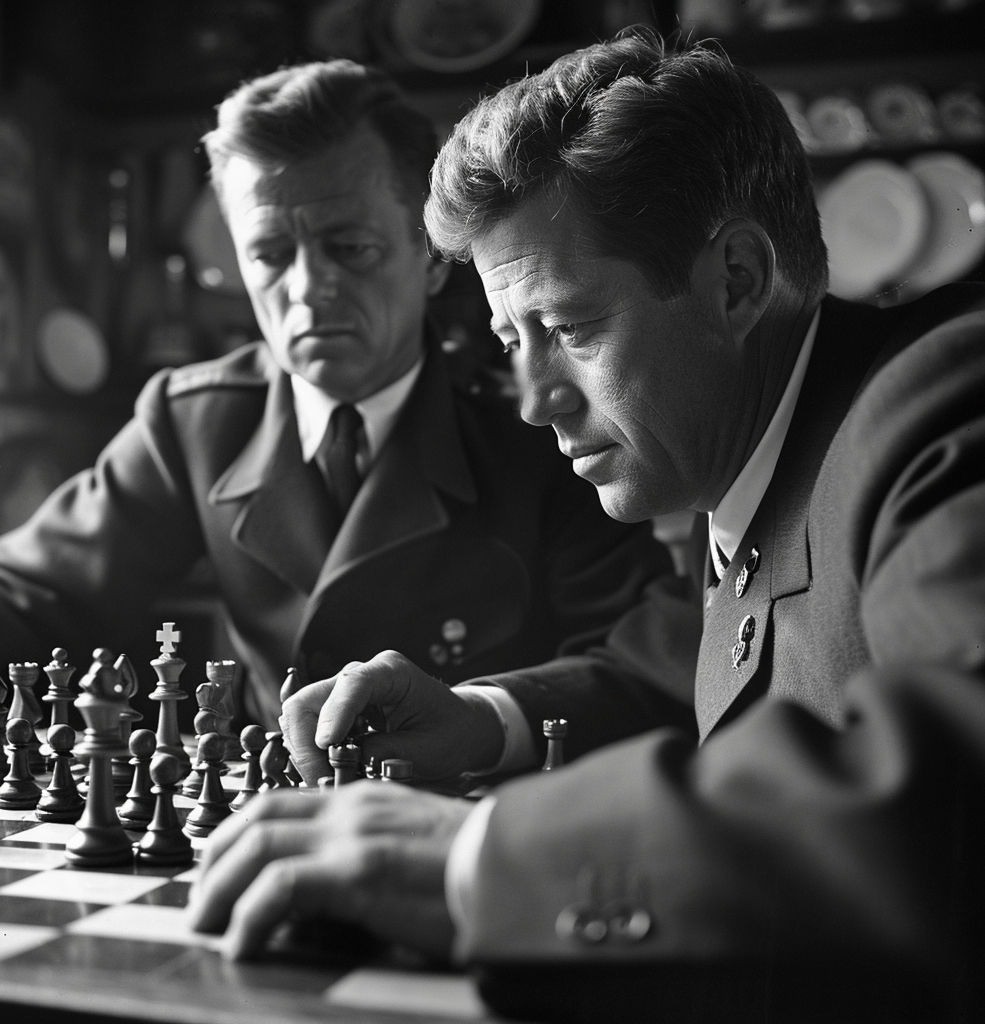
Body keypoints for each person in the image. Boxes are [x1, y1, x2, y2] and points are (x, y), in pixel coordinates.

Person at [188, 34, 985, 1021]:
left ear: (734, 279)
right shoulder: (757, 460)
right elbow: (685, 663)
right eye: (510, 341)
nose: (531, 401)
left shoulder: (941, 408)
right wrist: (480, 719)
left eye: (564, 329)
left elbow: (953, 790)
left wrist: (475, 862)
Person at [0, 60, 671, 733]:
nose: (306, 289)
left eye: (349, 247)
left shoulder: (544, 424)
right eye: (270, 255)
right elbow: (31, 592)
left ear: (428, 257)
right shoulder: (194, 421)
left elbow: (639, 664)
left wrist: (487, 719)